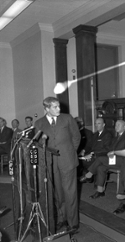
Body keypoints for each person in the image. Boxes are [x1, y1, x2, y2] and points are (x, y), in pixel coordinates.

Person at [34, 97, 81, 233]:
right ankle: (62, 219)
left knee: (70, 193)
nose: (59, 109)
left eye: (59, 106)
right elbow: (37, 144)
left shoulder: (67, 118)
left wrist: (71, 152)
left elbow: (76, 137)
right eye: (55, 107)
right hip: (51, 163)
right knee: (58, 193)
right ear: (47, 109)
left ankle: (73, 223)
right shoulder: (39, 123)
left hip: (68, 161)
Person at [80, 120, 125, 209]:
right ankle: (100, 191)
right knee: (101, 167)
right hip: (114, 160)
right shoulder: (115, 138)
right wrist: (109, 152)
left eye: (118, 125)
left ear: (124, 127)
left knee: (100, 159)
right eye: (116, 125)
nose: (116, 127)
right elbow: (108, 149)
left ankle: (88, 175)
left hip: (124, 161)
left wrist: (114, 152)